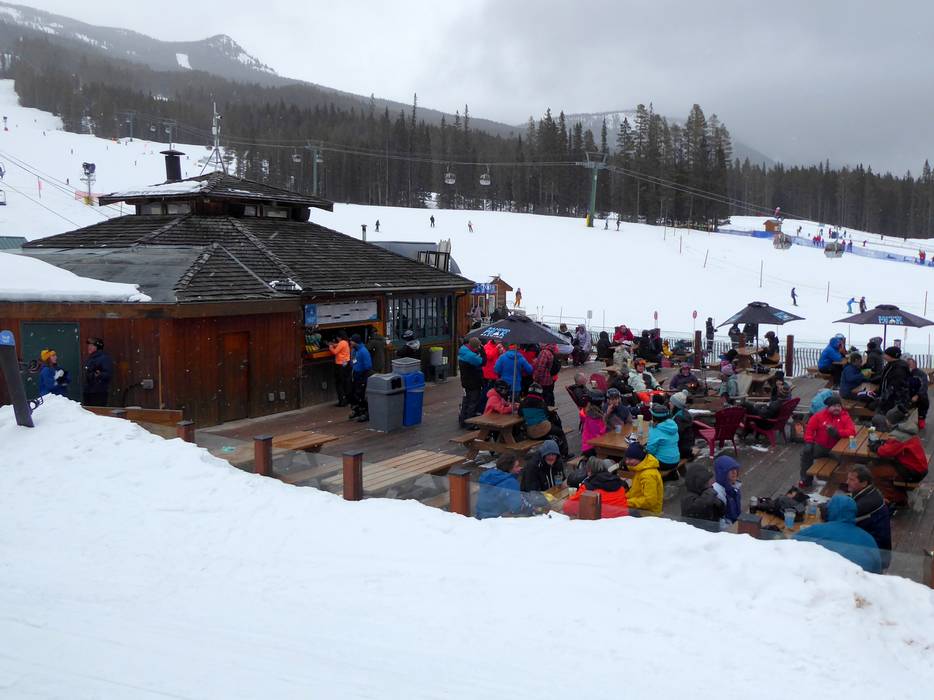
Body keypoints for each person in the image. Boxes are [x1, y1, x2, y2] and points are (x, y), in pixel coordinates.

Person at [792, 494, 882, 573]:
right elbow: (877, 570)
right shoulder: (869, 539)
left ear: (831, 510)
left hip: (826, 578)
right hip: (858, 582)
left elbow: (791, 544)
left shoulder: (817, 530)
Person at [870, 408, 929, 506]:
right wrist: (884, 443)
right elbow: (894, 447)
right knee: (883, 466)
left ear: (890, 421)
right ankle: (897, 491)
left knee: (874, 472)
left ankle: (898, 500)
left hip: (913, 473)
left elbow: (884, 452)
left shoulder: (899, 436)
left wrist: (876, 447)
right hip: (920, 467)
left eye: (887, 419)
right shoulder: (908, 429)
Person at [799, 395, 856, 487]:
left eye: (838, 406)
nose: (836, 408)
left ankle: (843, 482)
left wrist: (838, 433)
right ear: (828, 407)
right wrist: (809, 441)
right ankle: (806, 479)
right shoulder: (819, 416)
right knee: (806, 453)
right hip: (821, 446)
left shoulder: (845, 417)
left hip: (837, 448)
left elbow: (852, 432)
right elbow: (809, 430)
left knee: (847, 459)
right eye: (834, 406)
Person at [846, 466, 892, 571]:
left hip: (874, 553)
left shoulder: (867, 503)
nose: (847, 482)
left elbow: (841, 515)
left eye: (852, 479)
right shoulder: (870, 492)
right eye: (848, 478)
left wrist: (824, 507)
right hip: (873, 545)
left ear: (864, 483)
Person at [563, 457, 629, 518]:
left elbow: (567, 507)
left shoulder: (588, 487)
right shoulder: (620, 484)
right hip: (622, 519)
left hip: (601, 522)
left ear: (589, 472)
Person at [519, 383, 570, 457]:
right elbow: (547, 414)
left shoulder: (523, 402)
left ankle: (552, 443)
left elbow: (520, 413)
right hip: (543, 430)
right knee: (560, 432)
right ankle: (564, 454)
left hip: (531, 432)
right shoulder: (541, 402)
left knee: (551, 430)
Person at [476, 454, 531, 519]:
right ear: (508, 468)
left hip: (480, 516)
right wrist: (531, 508)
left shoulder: (489, 476)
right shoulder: (509, 482)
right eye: (517, 466)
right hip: (496, 520)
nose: (520, 468)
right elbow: (517, 507)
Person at [621, 442, 663, 515]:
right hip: (640, 506)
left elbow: (650, 501)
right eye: (626, 458)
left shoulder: (648, 475)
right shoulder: (640, 468)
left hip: (649, 513)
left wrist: (627, 502)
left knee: (617, 512)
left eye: (630, 459)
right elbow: (635, 491)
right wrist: (622, 497)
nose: (627, 462)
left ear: (640, 458)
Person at [681, 463, 725, 528]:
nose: (711, 483)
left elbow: (721, 513)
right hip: (698, 531)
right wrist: (709, 494)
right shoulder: (688, 498)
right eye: (706, 482)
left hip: (712, 528)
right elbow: (697, 508)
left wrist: (719, 504)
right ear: (699, 483)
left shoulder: (706, 492)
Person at [457, 337, 486, 428]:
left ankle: (463, 421)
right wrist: (482, 351)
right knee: (473, 403)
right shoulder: (471, 356)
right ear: (475, 347)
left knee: (466, 401)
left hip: (465, 381)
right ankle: (470, 423)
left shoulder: (463, 350)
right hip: (473, 382)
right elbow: (483, 362)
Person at [646, 403, 681, 476]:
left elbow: (650, 450)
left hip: (664, 463)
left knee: (640, 457)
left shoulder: (655, 429)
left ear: (653, 417)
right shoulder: (672, 425)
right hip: (676, 459)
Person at [875, 346, 910, 416]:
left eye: (885, 354)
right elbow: (884, 377)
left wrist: (881, 399)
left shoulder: (899, 369)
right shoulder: (890, 364)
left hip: (894, 400)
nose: (883, 356)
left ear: (891, 356)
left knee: (885, 417)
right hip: (888, 399)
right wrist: (871, 380)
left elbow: (894, 387)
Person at [82, 337, 113, 407]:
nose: (89, 347)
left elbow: (108, 374)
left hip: (99, 392)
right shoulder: (90, 358)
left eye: (92, 345)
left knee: (98, 412)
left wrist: (98, 374)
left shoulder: (104, 358)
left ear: (98, 347)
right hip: (88, 392)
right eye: (89, 345)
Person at [712, 455, 742, 526]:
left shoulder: (735, 487)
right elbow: (720, 523)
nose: (734, 472)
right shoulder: (717, 493)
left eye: (735, 469)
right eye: (730, 470)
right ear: (722, 473)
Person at [349, 334, 373, 421]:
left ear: (356, 342)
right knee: (354, 393)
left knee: (361, 394)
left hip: (362, 375)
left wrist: (363, 376)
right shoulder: (354, 350)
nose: (350, 342)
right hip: (355, 374)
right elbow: (352, 361)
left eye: (351, 341)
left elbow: (368, 366)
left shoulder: (363, 351)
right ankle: (357, 410)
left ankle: (366, 413)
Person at [669, 390, 696, 461]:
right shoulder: (681, 413)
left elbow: (676, 436)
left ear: (676, 405)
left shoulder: (679, 418)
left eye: (671, 402)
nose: (669, 403)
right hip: (685, 446)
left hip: (682, 450)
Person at [904, 354, 929, 429]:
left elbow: (924, 386)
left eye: (909, 364)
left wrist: (917, 395)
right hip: (908, 397)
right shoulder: (906, 374)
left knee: (923, 404)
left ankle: (921, 419)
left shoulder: (921, 374)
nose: (908, 366)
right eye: (907, 364)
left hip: (920, 397)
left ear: (915, 364)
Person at [580, 390, 607, 458]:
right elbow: (598, 435)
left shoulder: (594, 412)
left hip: (594, 444)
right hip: (591, 447)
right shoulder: (593, 416)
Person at [327, 331, 352, 407]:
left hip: (340, 365)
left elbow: (335, 352)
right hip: (346, 364)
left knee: (339, 384)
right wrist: (334, 344)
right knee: (346, 382)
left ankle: (342, 401)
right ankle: (347, 400)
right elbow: (339, 345)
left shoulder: (341, 343)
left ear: (339, 337)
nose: (337, 339)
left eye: (337, 337)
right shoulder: (346, 342)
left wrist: (330, 347)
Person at [531, 342, 560, 407]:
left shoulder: (544, 352)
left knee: (544, 397)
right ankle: (551, 408)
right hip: (551, 378)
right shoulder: (553, 349)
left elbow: (540, 368)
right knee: (550, 394)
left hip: (544, 380)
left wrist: (535, 379)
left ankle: (546, 409)